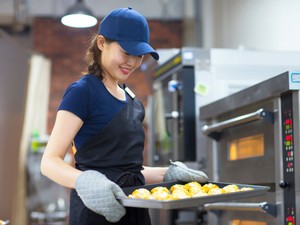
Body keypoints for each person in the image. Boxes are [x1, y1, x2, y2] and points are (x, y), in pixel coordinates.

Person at [40, 7, 208, 225]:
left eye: (138, 55)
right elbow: (49, 162)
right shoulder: (83, 92)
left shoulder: (131, 100)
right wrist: (85, 181)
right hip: (95, 215)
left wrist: (167, 174)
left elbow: (127, 173)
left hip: (135, 213)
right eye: (126, 52)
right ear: (102, 43)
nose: (132, 62)